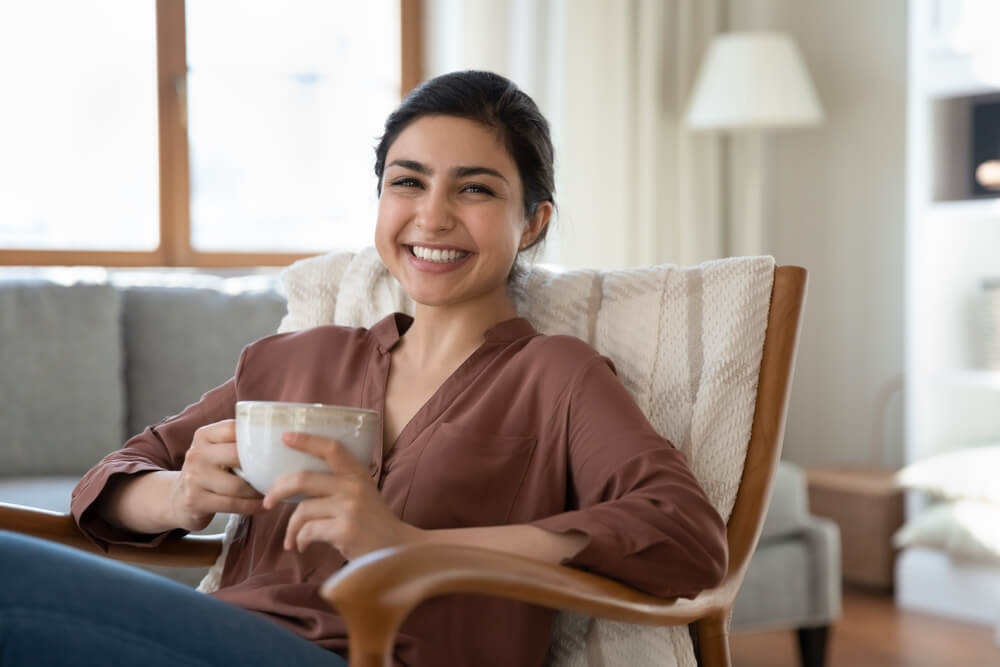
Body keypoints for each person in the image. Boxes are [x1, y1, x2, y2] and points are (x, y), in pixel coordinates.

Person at [0, 70, 727, 667]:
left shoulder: (555, 376)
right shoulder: (296, 357)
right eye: (407, 182)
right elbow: (109, 480)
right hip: (227, 638)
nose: (432, 216)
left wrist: (412, 547)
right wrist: (180, 495)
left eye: (474, 189)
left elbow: (685, 535)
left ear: (532, 221)